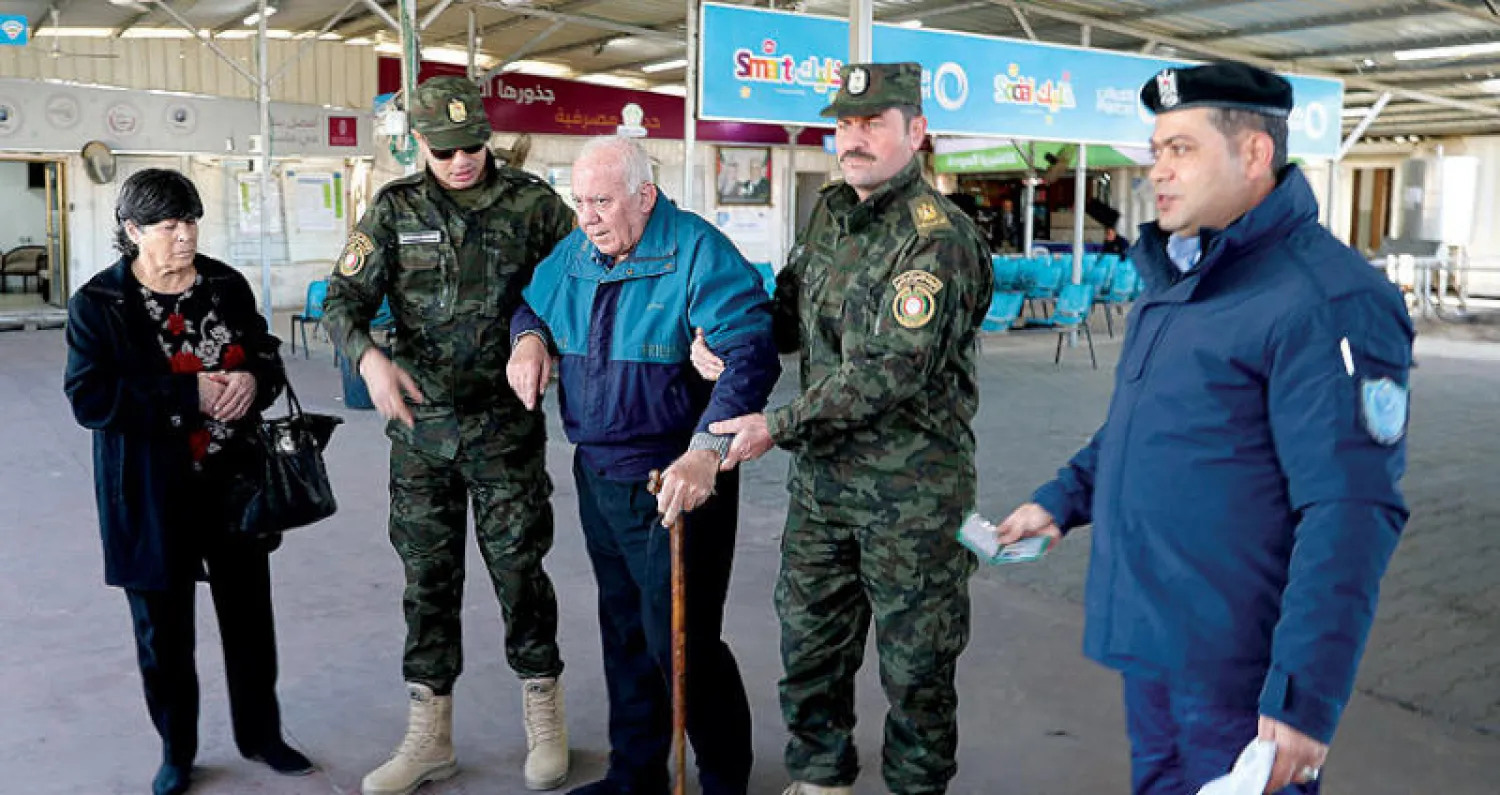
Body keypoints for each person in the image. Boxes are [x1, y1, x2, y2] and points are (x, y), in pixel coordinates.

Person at [993, 61, 1414, 795]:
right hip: (1158, 644)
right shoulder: (1183, 282)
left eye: (1181, 149)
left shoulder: (1326, 299)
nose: (1158, 170)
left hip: (1238, 673)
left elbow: (1350, 510)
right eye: (1157, 150)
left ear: (1254, 154)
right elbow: (1144, 429)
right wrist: (1060, 501)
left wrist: (1302, 699)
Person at [699, 63, 993, 795]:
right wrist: (731, 341)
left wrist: (777, 423)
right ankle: (822, 777)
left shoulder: (940, 240)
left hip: (912, 498)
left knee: (917, 667)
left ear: (916, 132)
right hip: (824, 489)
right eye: (846, 124)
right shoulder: (830, 211)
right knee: (809, 646)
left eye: (874, 123)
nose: (854, 138)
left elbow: (893, 369)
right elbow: (790, 314)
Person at [321, 75, 575, 795]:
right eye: (445, 149)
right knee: (428, 582)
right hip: (421, 434)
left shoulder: (532, 204)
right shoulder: (397, 209)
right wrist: (369, 357)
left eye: (472, 146)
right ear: (418, 144)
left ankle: (544, 714)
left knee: (521, 572)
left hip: (504, 431)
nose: (461, 161)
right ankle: (430, 735)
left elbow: (578, 283)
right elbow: (343, 295)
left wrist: (541, 337)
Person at [507, 135, 780, 795]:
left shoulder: (696, 251)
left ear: (644, 195)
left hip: (675, 477)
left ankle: (722, 780)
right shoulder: (577, 252)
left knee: (680, 640)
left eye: (601, 201)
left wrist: (705, 451)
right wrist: (529, 339)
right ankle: (636, 774)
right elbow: (532, 302)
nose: (588, 217)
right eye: (580, 202)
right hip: (598, 473)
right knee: (624, 627)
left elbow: (750, 352)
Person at [64, 168, 314, 795]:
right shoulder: (99, 304)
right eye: (169, 225)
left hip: (234, 485)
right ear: (132, 230)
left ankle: (261, 735)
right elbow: (90, 397)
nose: (184, 236)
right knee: (163, 632)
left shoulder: (225, 285)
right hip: (149, 494)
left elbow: (263, 351)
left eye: (191, 222)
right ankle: (178, 750)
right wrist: (187, 391)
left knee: (250, 621)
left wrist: (256, 379)